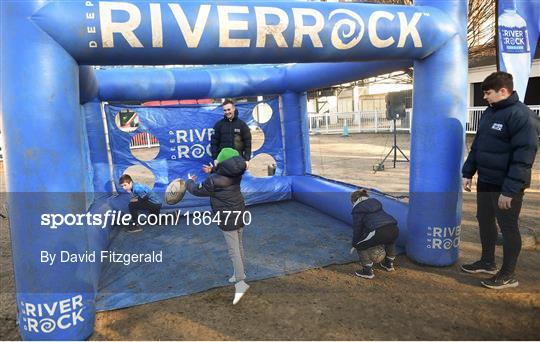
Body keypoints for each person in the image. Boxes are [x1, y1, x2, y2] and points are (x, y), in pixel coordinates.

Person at [461, 71, 538, 290]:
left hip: (506, 186)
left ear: (503, 91)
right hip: (486, 180)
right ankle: (487, 262)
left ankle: (508, 274)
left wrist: (510, 190)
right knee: (484, 220)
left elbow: (524, 157)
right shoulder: (490, 112)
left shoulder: (522, 116)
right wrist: (468, 172)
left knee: (508, 227)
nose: (484, 97)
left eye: (488, 93)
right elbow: (479, 145)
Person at [186, 148, 250, 304]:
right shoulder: (237, 172)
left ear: (220, 162)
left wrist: (189, 182)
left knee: (233, 250)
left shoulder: (213, 180)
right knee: (239, 245)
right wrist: (213, 169)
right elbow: (227, 169)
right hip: (240, 212)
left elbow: (196, 191)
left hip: (227, 218)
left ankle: (240, 281)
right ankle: (240, 273)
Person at [350, 189, 399, 279]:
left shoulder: (357, 209)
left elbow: (358, 228)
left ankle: (367, 271)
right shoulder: (376, 202)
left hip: (379, 230)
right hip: (394, 228)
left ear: (354, 201)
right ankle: (389, 264)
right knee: (390, 242)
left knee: (360, 245)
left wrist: (354, 243)